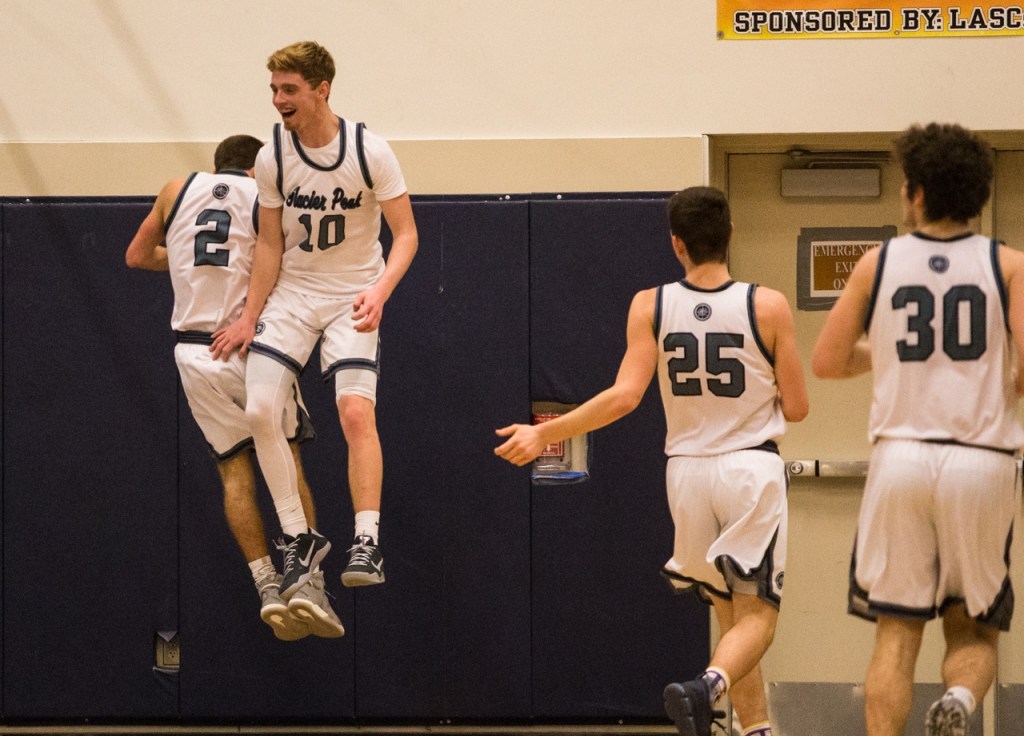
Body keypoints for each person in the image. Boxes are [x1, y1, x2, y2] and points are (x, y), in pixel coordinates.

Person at [495, 186, 808, 736]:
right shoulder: (769, 305)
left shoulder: (651, 304)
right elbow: (799, 408)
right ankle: (706, 689)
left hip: (685, 473)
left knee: (728, 612)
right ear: (730, 233)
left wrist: (546, 433)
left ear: (676, 243)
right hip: (749, 468)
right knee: (759, 617)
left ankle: (755, 728)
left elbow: (623, 398)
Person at [812, 122, 1024, 736]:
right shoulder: (1008, 264)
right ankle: (958, 698)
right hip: (982, 460)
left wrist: (894, 355)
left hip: (901, 460)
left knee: (897, 631)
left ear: (916, 193)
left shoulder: (877, 263)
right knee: (974, 627)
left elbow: (827, 361)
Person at [210, 41, 419, 598]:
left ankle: (367, 539)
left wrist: (381, 290)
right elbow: (270, 245)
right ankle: (300, 540)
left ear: (322, 89)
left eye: (289, 89)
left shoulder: (369, 150)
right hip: (296, 293)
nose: (278, 99)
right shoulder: (272, 156)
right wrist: (249, 317)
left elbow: (407, 236)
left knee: (354, 413)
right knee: (259, 410)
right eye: (274, 89)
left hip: (354, 292)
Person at [126, 134, 344, 640]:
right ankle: (307, 581)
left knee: (234, 473)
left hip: (193, 352)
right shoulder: (262, 195)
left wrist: (185, 261)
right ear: (255, 170)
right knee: (285, 455)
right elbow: (287, 262)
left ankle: (266, 583)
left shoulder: (175, 189)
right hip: (249, 345)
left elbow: (137, 256)